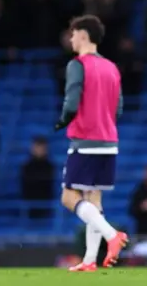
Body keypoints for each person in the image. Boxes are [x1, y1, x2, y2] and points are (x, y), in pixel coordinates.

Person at [55, 15, 128, 271]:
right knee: (93, 200)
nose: (71, 38)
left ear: (83, 35)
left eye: (73, 34)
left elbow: (71, 103)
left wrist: (63, 120)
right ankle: (89, 260)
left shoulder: (78, 64)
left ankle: (112, 236)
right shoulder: (112, 67)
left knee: (68, 197)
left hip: (85, 140)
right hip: (109, 142)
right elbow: (118, 108)